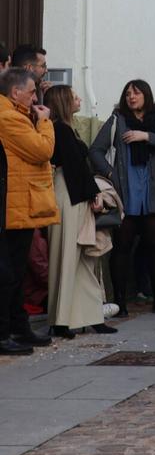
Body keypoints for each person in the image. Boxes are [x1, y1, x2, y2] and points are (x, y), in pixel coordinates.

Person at [89, 79, 155, 316]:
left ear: (146, 96)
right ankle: (120, 302)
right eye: (128, 93)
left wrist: (146, 136)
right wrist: (110, 173)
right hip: (127, 192)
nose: (132, 97)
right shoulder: (117, 119)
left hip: (154, 192)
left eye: (137, 93)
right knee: (122, 246)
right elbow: (95, 150)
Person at [44, 85, 114, 338]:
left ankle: (87, 315)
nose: (79, 99)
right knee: (67, 256)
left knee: (80, 258)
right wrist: (93, 193)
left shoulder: (66, 128)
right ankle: (61, 319)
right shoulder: (60, 129)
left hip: (73, 191)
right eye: (74, 97)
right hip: (69, 193)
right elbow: (74, 167)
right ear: (64, 102)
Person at [0, 68, 57, 353]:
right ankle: (6, 332)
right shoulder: (8, 117)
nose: (35, 96)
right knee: (8, 273)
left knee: (17, 271)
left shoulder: (18, 114)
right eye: (32, 91)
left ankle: (19, 328)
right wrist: (45, 123)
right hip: (14, 205)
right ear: (15, 92)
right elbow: (42, 150)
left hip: (21, 204)